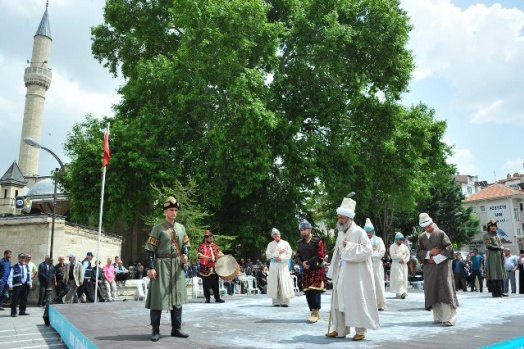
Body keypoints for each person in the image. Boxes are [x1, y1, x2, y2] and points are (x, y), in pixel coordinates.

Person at [326, 198, 379, 341]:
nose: (340, 219)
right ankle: (340, 329)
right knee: (339, 299)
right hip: (342, 270)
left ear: (349, 218)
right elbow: (337, 252)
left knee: (356, 299)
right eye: (339, 217)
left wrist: (349, 246)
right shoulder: (340, 232)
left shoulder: (360, 232)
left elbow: (367, 251)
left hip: (356, 273)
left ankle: (361, 330)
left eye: (342, 217)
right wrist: (333, 270)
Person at [145, 196, 190, 342]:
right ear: (165, 211)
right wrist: (151, 267)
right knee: (158, 298)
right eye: (171, 210)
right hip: (161, 265)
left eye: (176, 210)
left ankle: (176, 329)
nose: (174, 213)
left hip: (177, 266)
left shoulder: (181, 228)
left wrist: (186, 256)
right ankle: (155, 330)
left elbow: (186, 246)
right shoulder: (158, 228)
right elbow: (149, 250)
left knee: (177, 298)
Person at [415, 213, 458, 326]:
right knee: (433, 289)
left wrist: (436, 258)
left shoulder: (440, 233)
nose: (428, 229)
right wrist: (429, 253)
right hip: (429, 268)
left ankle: (450, 318)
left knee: (446, 289)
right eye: (425, 227)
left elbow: (449, 248)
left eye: (429, 226)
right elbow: (418, 252)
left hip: (443, 266)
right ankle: (438, 317)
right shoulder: (421, 237)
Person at [296, 219, 326, 323]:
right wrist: (302, 264)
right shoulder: (300, 243)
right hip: (306, 271)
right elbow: (297, 256)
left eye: (305, 229)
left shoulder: (317, 240)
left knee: (315, 290)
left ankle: (315, 312)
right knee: (308, 291)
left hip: (316, 269)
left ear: (310, 229)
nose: (303, 232)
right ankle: (313, 312)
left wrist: (309, 263)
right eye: (301, 230)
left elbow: (320, 255)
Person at [265, 228, 295, 307]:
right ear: (272, 236)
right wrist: (277, 253)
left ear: (280, 235)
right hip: (274, 265)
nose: (276, 236)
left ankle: (285, 302)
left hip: (283, 265)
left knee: (284, 282)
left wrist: (282, 258)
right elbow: (268, 255)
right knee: (275, 283)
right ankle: (276, 302)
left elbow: (289, 254)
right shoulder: (270, 244)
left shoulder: (285, 243)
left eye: (277, 234)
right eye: (274, 235)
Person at [197, 230, 225, 304]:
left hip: (214, 267)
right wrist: (206, 257)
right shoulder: (202, 246)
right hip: (206, 268)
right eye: (209, 237)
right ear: (205, 238)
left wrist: (222, 255)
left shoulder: (214, 246)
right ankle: (207, 298)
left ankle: (217, 298)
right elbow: (199, 255)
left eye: (212, 237)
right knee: (206, 284)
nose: (211, 239)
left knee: (216, 283)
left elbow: (219, 253)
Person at [364, 218, 386, 310]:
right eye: (367, 232)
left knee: (378, 284)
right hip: (365, 265)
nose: (369, 234)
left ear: (373, 231)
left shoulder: (379, 240)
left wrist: (372, 255)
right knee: (367, 284)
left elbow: (382, 252)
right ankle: (368, 304)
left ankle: (381, 304)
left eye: (370, 232)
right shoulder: (362, 240)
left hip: (376, 265)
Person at [483, 220, 506, 298]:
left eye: (495, 226)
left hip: (499, 255)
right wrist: (499, 248)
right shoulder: (486, 235)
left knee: (499, 273)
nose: (493, 227)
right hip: (492, 255)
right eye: (492, 226)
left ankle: (500, 291)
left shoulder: (497, 235)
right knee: (493, 273)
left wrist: (502, 249)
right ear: (489, 227)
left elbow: (501, 244)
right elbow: (488, 246)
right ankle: (495, 292)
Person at [389, 232, 410, 299]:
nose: (400, 241)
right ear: (396, 239)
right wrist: (400, 257)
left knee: (404, 278)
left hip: (404, 265)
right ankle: (400, 292)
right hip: (396, 265)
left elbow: (408, 255)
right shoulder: (392, 246)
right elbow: (392, 255)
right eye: (399, 239)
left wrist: (404, 260)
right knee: (399, 278)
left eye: (401, 239)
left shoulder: (405, 247)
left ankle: (404, 292)